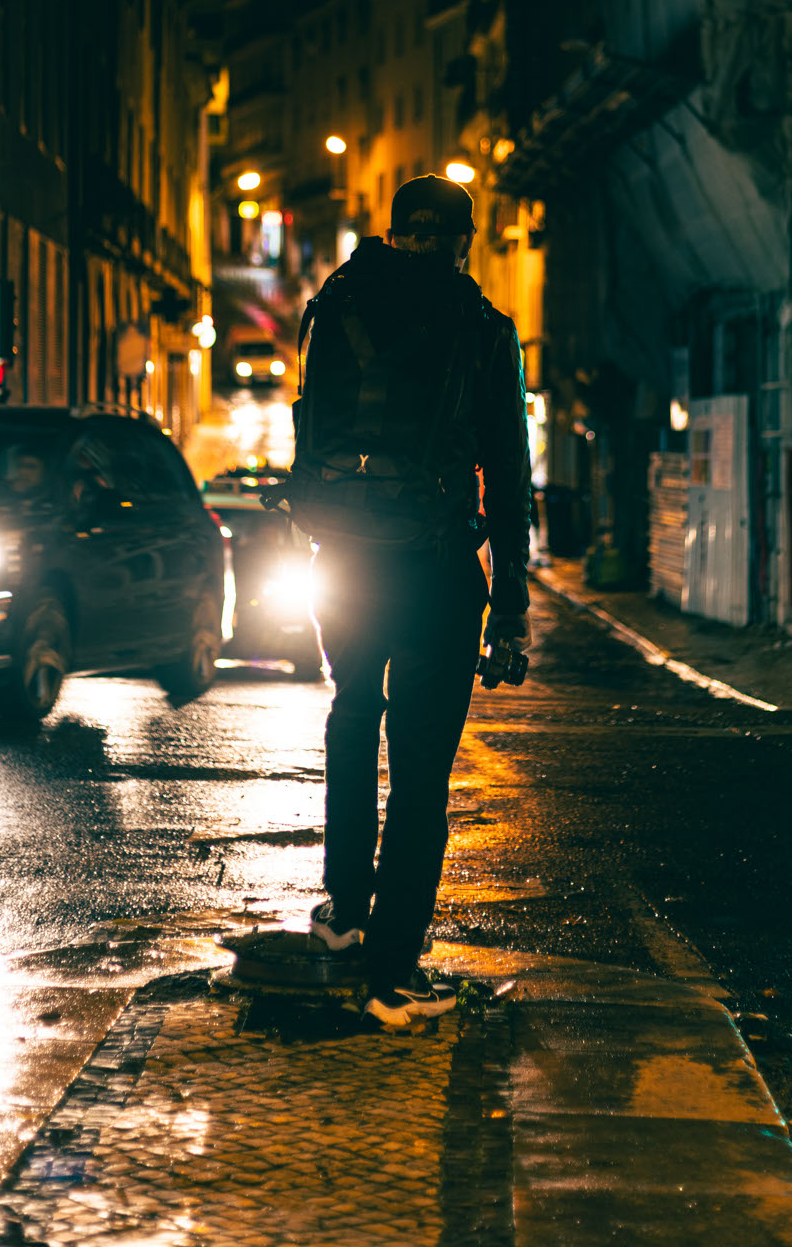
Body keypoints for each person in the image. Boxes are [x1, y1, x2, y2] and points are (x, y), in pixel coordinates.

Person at [298, 173, 532, 1028]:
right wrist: (509, 601)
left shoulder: (336, 305)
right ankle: (395, 964)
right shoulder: (480, 328)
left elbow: (310, 431)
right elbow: (506, 477)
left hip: (346, 558)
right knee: (423, 766)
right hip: (435, 569)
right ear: (465, 241)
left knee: (353, 714)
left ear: (393, 231)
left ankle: (345, 914)